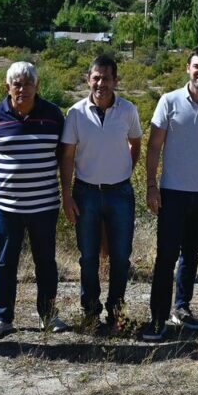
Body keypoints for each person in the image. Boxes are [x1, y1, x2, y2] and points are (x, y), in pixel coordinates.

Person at [141, 46, 198, 342]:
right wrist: (151, 186)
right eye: (197, 66)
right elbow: (154, 146)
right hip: (172, 193)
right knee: (166, 256)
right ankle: (157, 319)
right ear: (187, 68)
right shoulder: (168, 101)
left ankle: (181, 308)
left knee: (191, 254)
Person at [0, 62, 70, 340]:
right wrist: (7, 179)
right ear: (8, 87)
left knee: (46, 262)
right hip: (7, 207)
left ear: (37, 86)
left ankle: (48, 316)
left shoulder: (53, 114)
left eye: (28, 84)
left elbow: (63, 155)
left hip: (44, 205)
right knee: (6, 262)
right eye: (17, 84)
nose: (23, 89)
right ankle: (2, 317)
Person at [60, 54, 143, 328]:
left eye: (106, 78)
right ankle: (91, 312)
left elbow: (136, 145)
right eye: (96, 78)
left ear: (115, 81)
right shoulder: (75, 113)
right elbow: (67, 156)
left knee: (121, 257)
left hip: (120, 193)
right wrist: (67, 196)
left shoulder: (128, 110)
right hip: (86, 193)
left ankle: (116, 311)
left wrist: (123, 170)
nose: (100, 84)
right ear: (88, 80)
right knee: (88, 257)